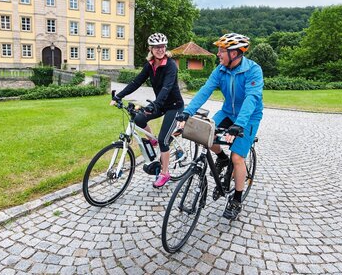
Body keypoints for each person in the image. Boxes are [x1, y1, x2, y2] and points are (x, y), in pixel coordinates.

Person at [176, 33, 263, 220]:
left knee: (238, 157)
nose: (218, 54)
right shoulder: (220, 70)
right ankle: (222, 158)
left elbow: (252, 98)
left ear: (235, 53)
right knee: (206, 136)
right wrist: (187, 112)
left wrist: (239, 124)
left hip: (249, 117)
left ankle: (237, 200)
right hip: (227, 113)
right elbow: (205, 90)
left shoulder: (253, 70)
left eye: (222, 51)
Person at [111, 33, 184, 188]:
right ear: (151, 49)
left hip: (174, 106)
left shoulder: (170, 65)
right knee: (138, 118)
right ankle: (152, 140)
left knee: (164, 139)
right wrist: (119, 96)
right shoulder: (150, 65)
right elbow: (136, 82)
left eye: (163, 46)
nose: (160, 49)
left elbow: (166, 88)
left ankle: (165, 173)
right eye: (157, 47)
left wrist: (154, 105)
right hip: (160, 104)